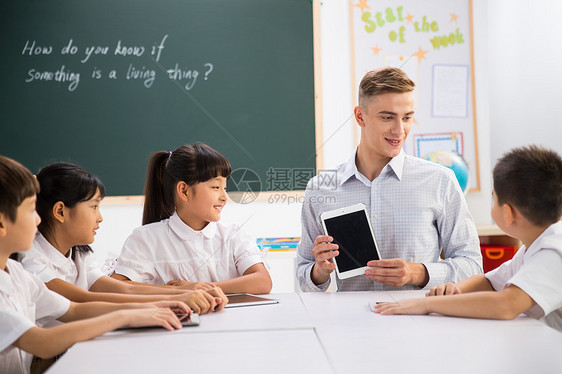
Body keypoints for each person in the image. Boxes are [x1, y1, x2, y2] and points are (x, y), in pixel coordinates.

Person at [297, 67, 482, 292]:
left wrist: (417, 272)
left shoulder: (440, 181)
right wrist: (319, 272)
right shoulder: (320, 188)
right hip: (350, 324)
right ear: (359, 116)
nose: (399, 130)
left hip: (418, 321)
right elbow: (303, 272)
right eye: (387, 117)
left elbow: (472, 266)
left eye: (407, 118)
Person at [0, 156, 190, 374]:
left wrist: (155, 306)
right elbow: (42, 341)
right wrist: (129, 314)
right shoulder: (28, 263)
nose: (37, 219)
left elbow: (73, 309)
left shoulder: (16, 274)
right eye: (30, 210)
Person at [374, 145, 562, 331]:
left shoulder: (554, 251)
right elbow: (488, 282)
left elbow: (507, 305)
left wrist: (428, 304)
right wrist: (455, 290)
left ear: (508, 213)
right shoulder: (534, 247)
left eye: (493, 198)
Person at [19, 162, 227, 316]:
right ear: (60, 212)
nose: (100, 217)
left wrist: (182, 290)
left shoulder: (78, 253)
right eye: (93, 207)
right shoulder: (31, 260)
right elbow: (84, 298)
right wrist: (174, 297)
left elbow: (124, 288)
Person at [112, 143, 272, 294]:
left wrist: (202, 289)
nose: (224, 197)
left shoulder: (233, 234)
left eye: (225, 188)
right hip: (177, 322)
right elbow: (116, 286)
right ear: (184, 191)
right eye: (216, 187)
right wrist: (177, 292)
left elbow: (262, 281)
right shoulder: (146, 238)